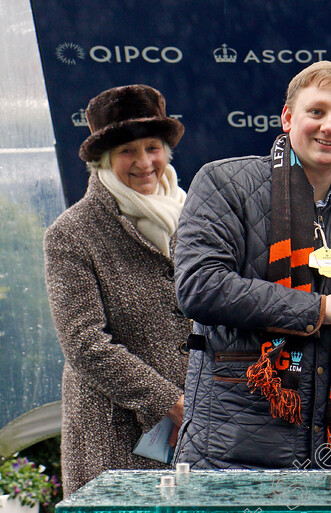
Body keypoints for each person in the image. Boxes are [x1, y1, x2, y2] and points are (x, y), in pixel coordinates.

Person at [173, 61, 331, 470]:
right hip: (232, 453)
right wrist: (320, 311)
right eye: (317, 112)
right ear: (288, 117)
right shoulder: (225, 183)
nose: (329, 126)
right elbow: (199, 286)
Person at [43, 85, 191, 495]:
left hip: (199, 429)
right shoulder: (72, 234)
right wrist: (170, 402)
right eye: (128, 151)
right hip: (114, 436)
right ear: (104, 161)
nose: (144, 162)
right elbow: (84, 344)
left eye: (152, 147)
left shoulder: (194, 215)